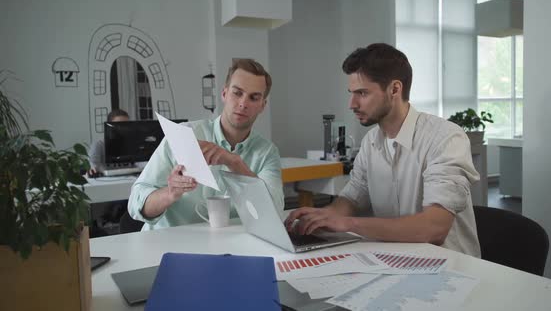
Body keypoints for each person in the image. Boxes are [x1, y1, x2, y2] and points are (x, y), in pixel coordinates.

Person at [285, 43, 481, 257]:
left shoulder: (445, 137)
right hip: (394, 262)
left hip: (451, 268)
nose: (352, 104)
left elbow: (434, 228)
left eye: (362, 93)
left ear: (394, 89)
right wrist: (320, 218)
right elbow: (350, 199)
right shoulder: (371, 142)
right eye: (351, 93)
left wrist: (347, 223)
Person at [128, 59, 284, 230]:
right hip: (170, 245)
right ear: (224, 94)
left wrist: (234, 162)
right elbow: (135, 203)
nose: (243, 103)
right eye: (237, 93)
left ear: (262, 105)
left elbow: (275, 211)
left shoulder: (267, 152)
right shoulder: (184, 135)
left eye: (254, 98)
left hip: (229, 246)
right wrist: (170, 193)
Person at [88, 109, 129, 176]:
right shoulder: (99, 145)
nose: (122, 128)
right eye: (118, 124)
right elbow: (92, 164)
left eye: (126, 125)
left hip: (130, 180)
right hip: (107, 180)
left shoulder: (131, 144)